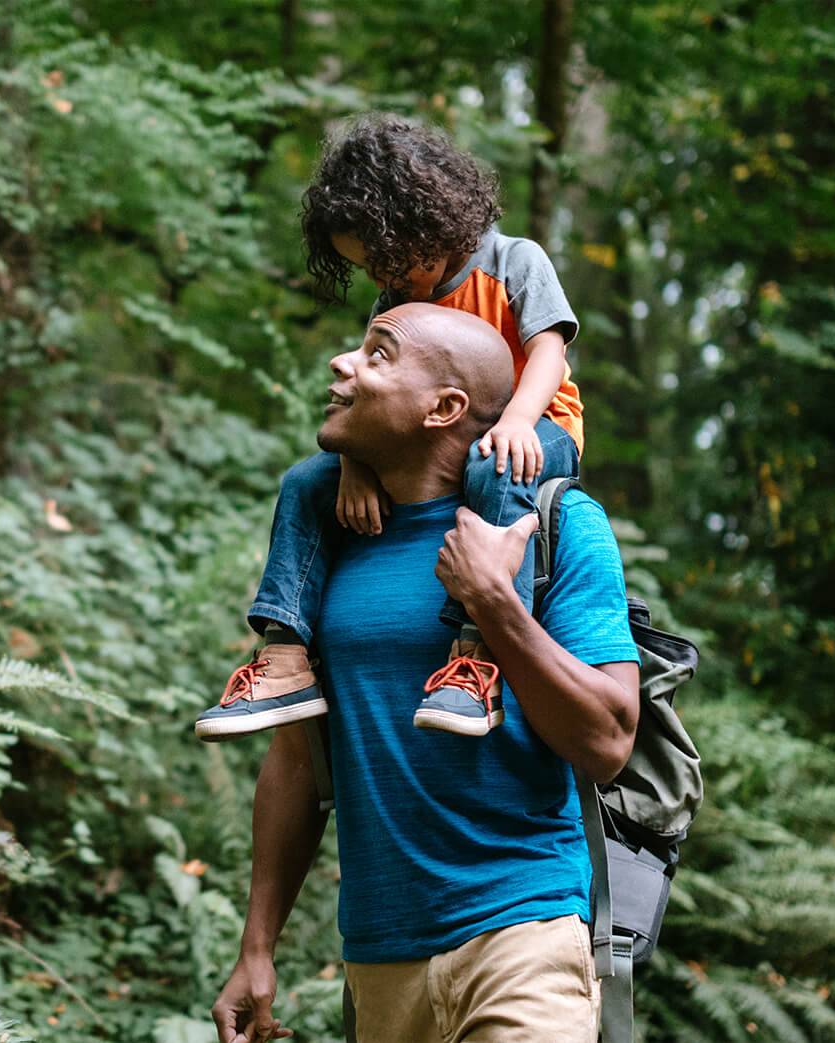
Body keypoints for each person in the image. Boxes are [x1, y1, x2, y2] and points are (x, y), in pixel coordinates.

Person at [210, 304, 640, 1043]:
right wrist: (257, 946)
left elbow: (607, 737)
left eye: (377, 355)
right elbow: (296, 759)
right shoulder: (330, 540)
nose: (342, 364)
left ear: (444, 408)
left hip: (522, 938)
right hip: (380, 965)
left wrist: (493, 601)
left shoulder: (556, 526)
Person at [195, 115, 585, 742]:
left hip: (534, 426)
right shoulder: (397, 302)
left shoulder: (514, 260)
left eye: (385, 260)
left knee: (495, 464)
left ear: (425, 221)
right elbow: (365, 402)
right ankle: (284, 655)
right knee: (305, 482)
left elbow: (549, 353)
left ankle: (474, 652)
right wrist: (353, 465)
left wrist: (516, 420)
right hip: (430, 440)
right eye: (368, 269)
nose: (382, 281)